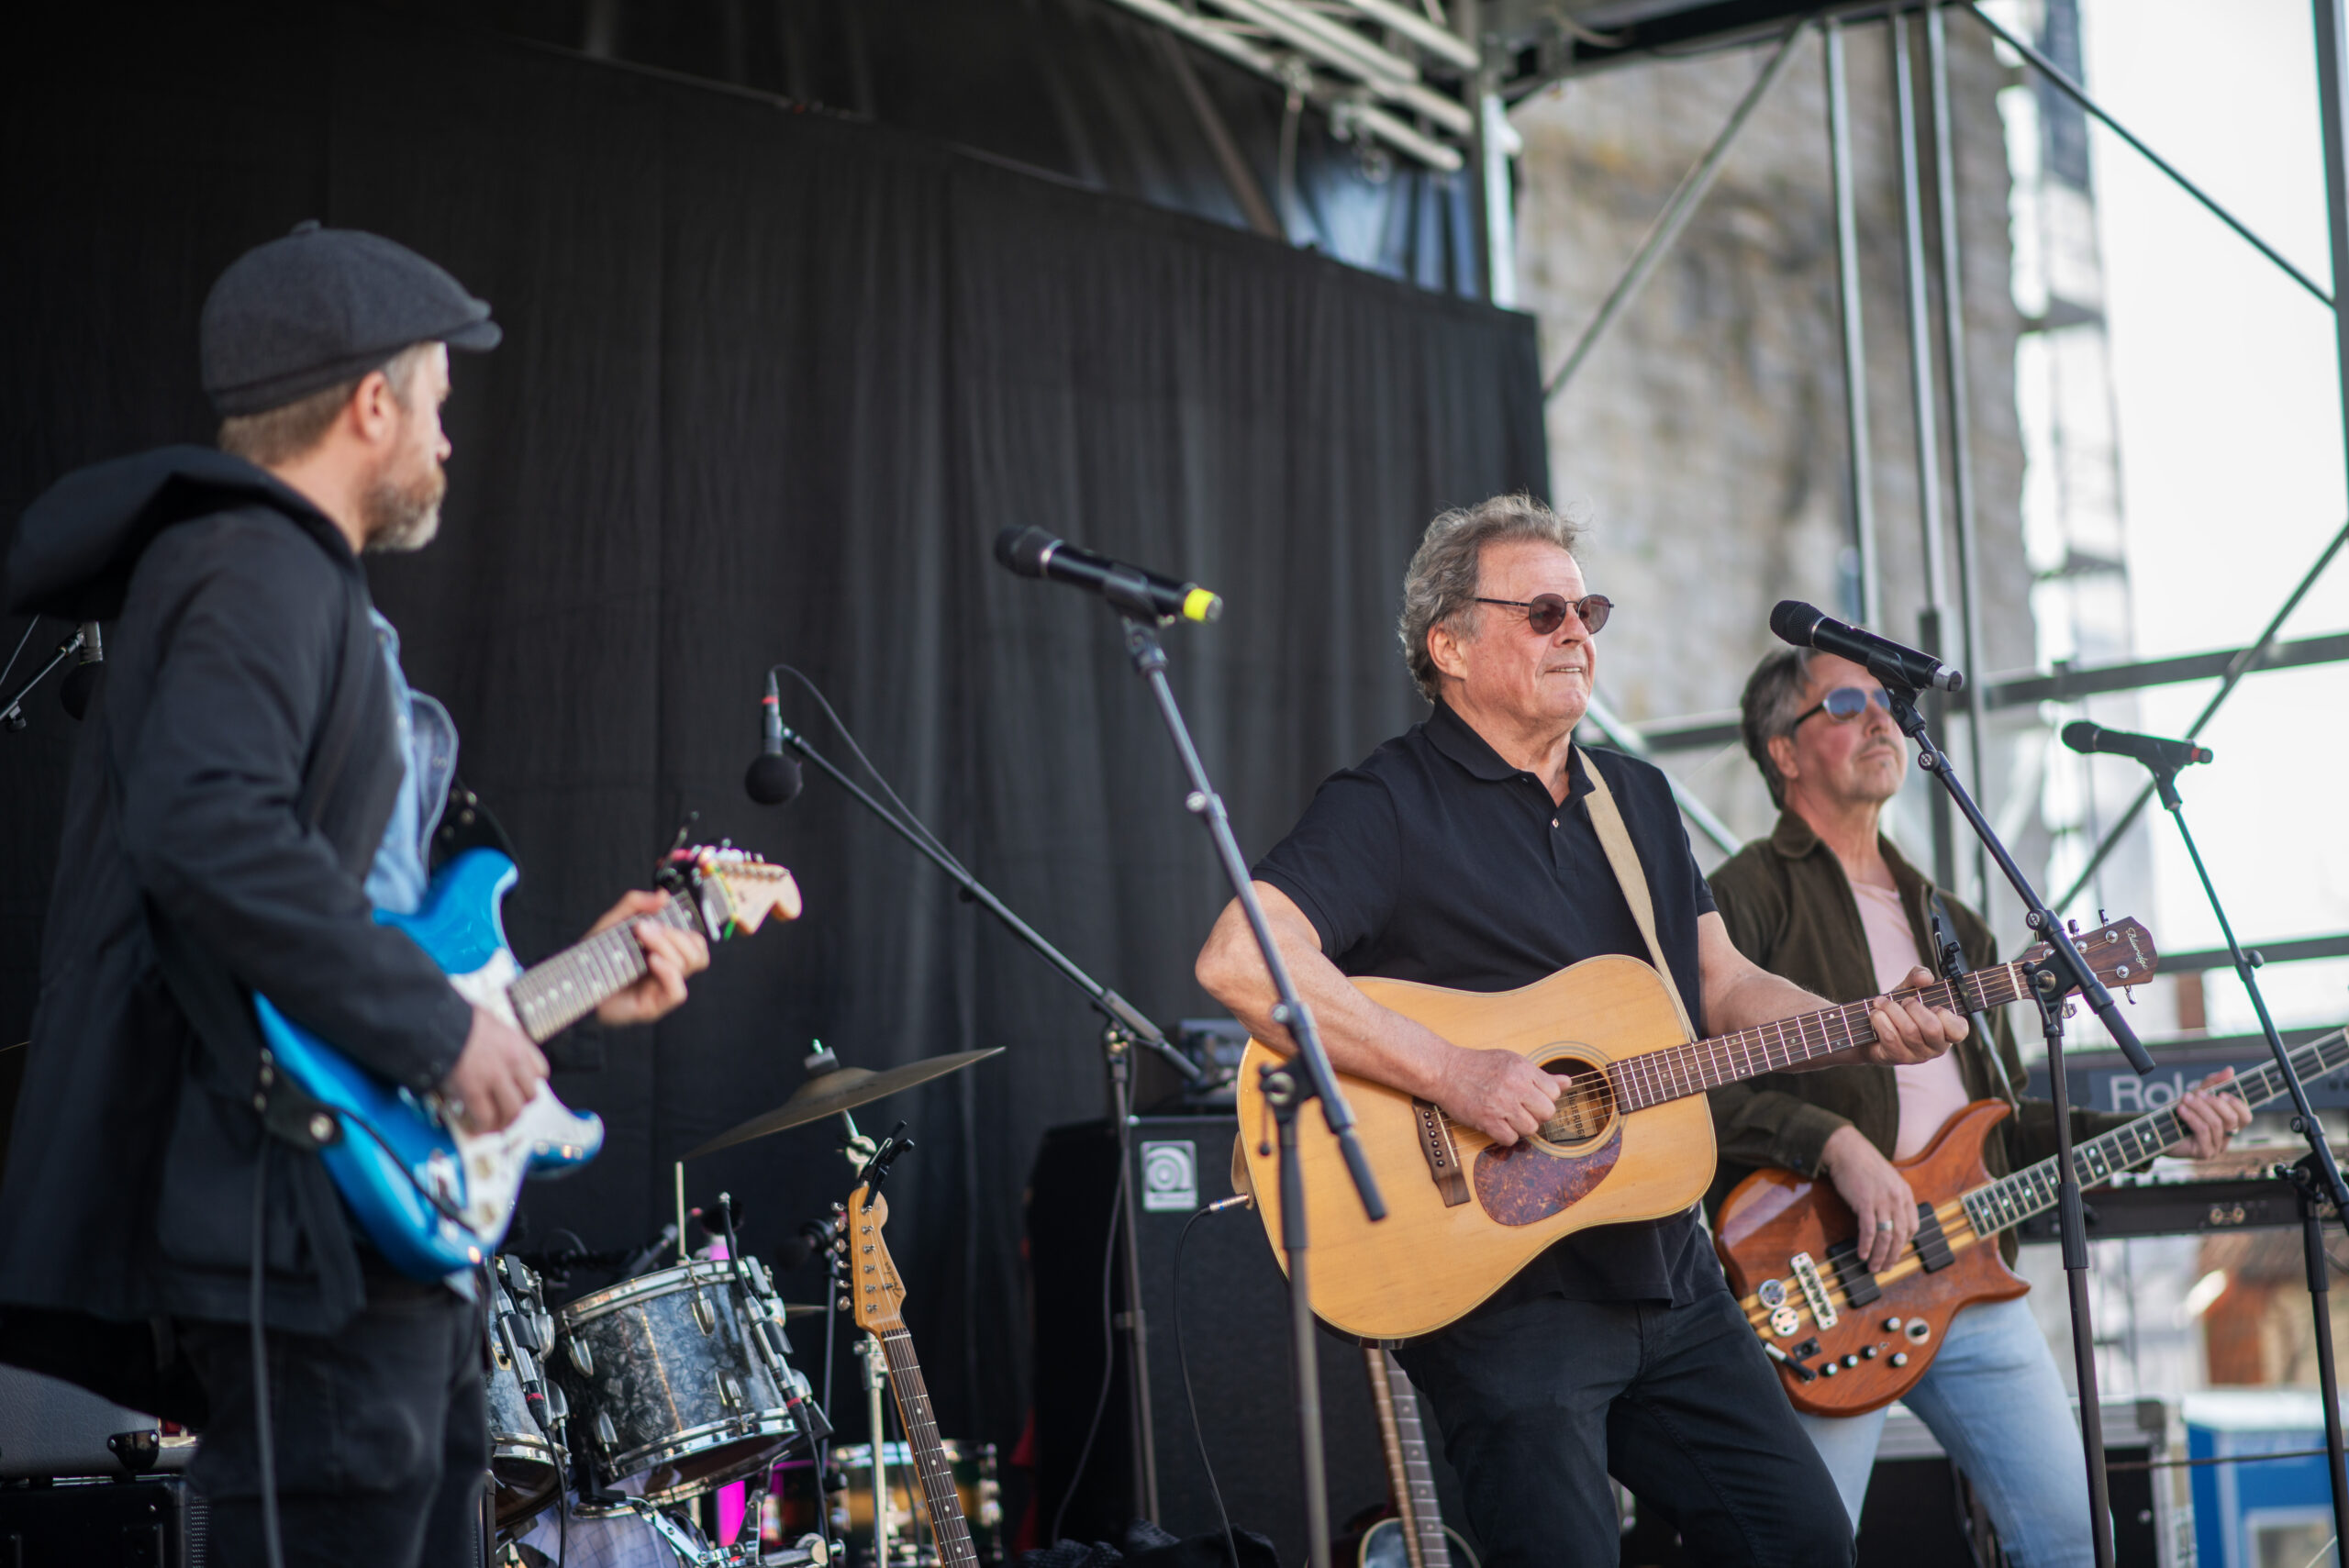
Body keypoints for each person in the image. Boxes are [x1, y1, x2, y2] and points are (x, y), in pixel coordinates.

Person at [0, 224, 709, 1568]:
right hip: (299, 1230)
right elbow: (210, 838)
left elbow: (341, 938)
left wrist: (574, 981)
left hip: (360, 1233)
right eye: (437, 406)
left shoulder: (292, 590)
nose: (448, 443)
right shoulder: (248, 564)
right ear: (371, 403)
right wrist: (443, 1034)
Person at [1193, 495, 1969, 1568]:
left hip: (1666, 1266)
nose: (1577, 633)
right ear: (1449, 645)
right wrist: (1453, 1070)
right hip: (1500, 1293)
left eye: (1587, 609)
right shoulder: (1386, 803)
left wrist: (1859, 1028)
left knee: (1803, 1542)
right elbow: (1242, 958)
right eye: (1544, 610)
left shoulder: (1635, 798)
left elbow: (1722, 983)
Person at [1706, 645, 2248, 1562]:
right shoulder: (1743, 894)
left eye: (1886, 700)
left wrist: (2163, 1127)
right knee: (1808, 1547)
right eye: (1846, 701)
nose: (1881, 717)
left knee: (2078, 1539)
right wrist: (1835, 1141)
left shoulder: (1953, 919)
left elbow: (2007, 1120)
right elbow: (1695, 1084)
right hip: (1823, 1278)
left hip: (1965, 1277)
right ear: (1784, 751)